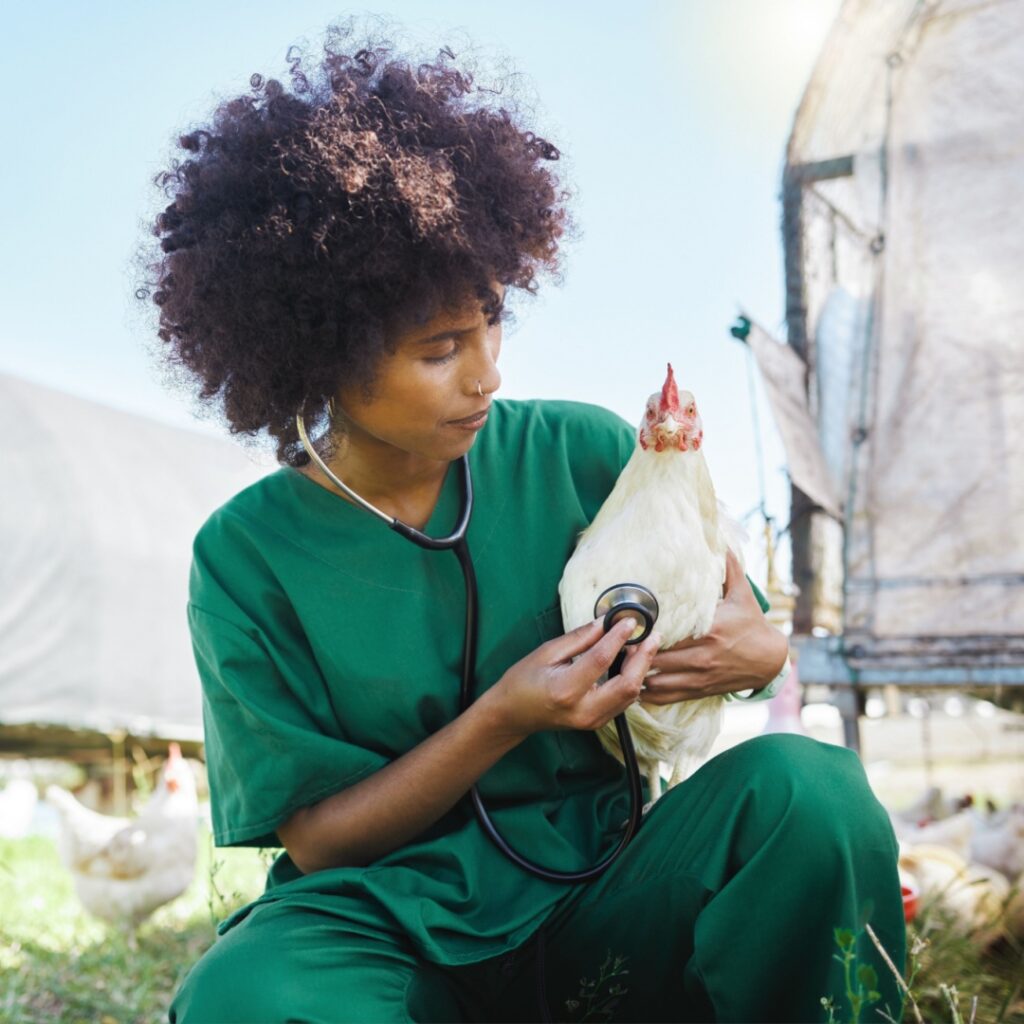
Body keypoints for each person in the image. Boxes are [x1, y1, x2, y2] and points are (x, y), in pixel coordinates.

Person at [140, 19, 907, 1023]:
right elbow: (321, 838)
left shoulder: (583, 453)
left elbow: (739, 636)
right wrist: (502, 717)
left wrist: (758, 648)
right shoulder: (245, 556)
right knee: (248, 997)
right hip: (384, 923)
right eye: (439, 347)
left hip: (608, 886)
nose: (487, 371)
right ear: (315, 352)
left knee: (811, 794)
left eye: (492, 316)